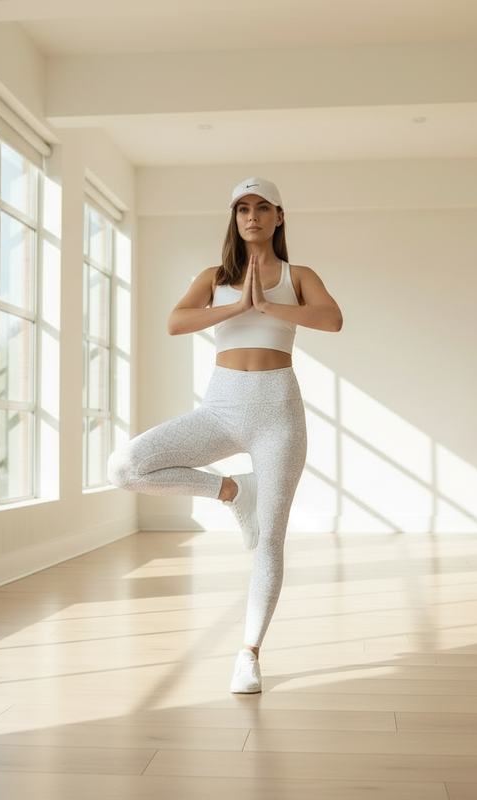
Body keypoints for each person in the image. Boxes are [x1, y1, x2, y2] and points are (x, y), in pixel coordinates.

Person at [107, 177, 343, 693]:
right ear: (234, 219)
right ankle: (234, 490)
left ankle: (249, 653)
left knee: (270, 541)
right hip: (222, 406)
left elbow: (332, 319)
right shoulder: (214, 276)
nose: (251, 216)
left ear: (279, 217)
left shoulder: (298, 275)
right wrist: (238, 304)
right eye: (242, 209)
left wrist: (266, 305)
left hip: (279, 411)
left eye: (262, 207)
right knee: (125, 468)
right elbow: (176, 322)